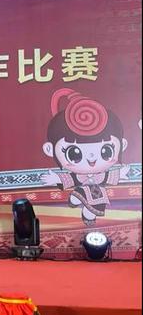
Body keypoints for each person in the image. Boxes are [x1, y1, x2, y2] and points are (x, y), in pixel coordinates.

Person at [41, 88, 129, 226]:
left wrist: (121, 174)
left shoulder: (101, 176)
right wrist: (56, 178)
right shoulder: (79, 176)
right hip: (84, 188)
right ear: (50, 150)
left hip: (98, 192)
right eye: (74, 154)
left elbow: (107, 177)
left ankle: (86, 212)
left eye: (106, 151)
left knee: (95, 205)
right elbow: (72, 178)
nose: (91, 160)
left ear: (122, 145)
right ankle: (76, 200)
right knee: (81, 193)